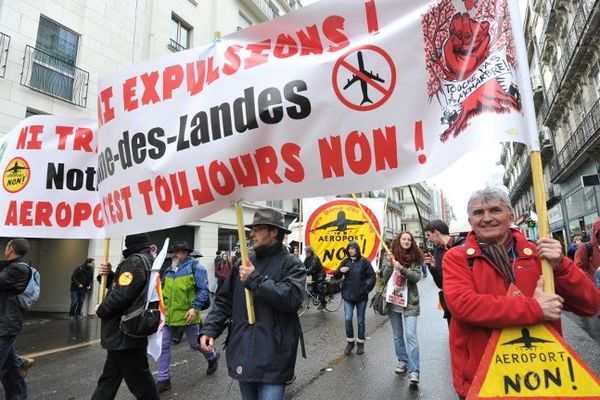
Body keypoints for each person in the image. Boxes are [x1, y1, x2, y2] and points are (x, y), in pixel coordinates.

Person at [442, 187, 600, 399]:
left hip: (543, 377)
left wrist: (561, 265)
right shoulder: (457, 258)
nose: (486, 218)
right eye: (478, 213)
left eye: (495, 210)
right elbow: (463, 305)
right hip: (486, 379)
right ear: (470, 221)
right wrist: (535, 308)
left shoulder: (539, 255)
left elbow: (589, 304)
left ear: (511, 216)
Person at [199, 208, 306, 400]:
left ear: (274, 232)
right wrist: (210, 329)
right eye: (252, 228)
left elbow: (292, 298)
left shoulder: (291, 264)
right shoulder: (244, 262)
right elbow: (224, 300)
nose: (252, 233)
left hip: (274, 354)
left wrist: (255, 280)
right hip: (244, 350)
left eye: (258, 228)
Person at [91, 233, 160, 400]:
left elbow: (122, 295)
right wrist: (109, 276)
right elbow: (129, 288)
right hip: (126, 332)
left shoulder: (134, 261)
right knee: (109, 379)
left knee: (140, 382)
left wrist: (102, 309)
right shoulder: (146, 259)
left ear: (129, 244)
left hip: (124, 332)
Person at [156, 240, 218, 393]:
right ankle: (163, 379)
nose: (173, 254)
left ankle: (213, 357)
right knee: (163, 346)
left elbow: (204, 290)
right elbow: (163, 292)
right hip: (169, 317)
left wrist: (194, 308)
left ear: (186, 252)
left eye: (177, 251)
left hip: (188, 316)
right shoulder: (168, 271)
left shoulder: (196, 267)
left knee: (195, 344)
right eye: (173, 252)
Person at [384, 232, 423, 384]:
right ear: (398, 241)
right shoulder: (390, 255)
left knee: (411, 336)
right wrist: (389, 263)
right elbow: (385, 277)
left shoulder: (415, 258)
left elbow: (416, 277)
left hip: (410, 303)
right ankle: (402, 360)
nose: (406, 241)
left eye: (409, 239)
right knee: (397, 335)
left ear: (411, 242)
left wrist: (401, 268)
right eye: (404, 239)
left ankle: (414, 372)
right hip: (393, 301)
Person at [0, 238, 32, 399]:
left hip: (7, 323)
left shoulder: (19, 269)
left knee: (8, 366)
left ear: (10, 249)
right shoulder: (10, 267)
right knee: (10, 369)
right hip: (5, 321)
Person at [333, 241, 375, 356]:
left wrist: (365, 289)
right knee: (347, 318)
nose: (351, 250)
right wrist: (340, 271)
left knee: (360, 320)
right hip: (348, 296)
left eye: (353, 248)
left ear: (357, 249)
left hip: (361, 296)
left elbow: (372, 277)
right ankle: (350, 342)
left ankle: (360, 343)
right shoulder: (345, 261)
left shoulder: (364, 262)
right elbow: (335, 275)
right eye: (349, 248)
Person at [423, 219, 466, 326]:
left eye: (429, 235)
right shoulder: (437, 252)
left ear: (436, 232)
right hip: (449, 303)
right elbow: (440, 283)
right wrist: (433, 268)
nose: (428, 239)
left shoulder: (462, 245)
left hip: (465, 301)